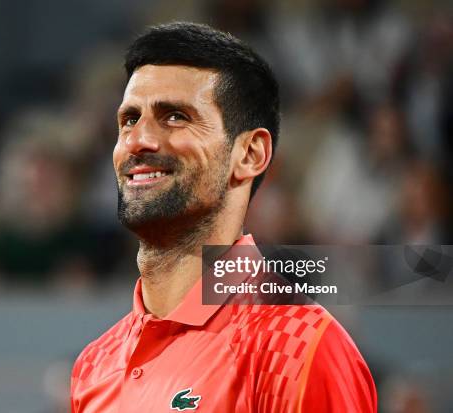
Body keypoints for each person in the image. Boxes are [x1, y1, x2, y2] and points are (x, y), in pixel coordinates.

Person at [70, 22, 377, 412]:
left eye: (175, 116)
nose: (137, 140)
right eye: (129, 119)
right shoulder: (93, 366)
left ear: (249, 154)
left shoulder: (300, 348)